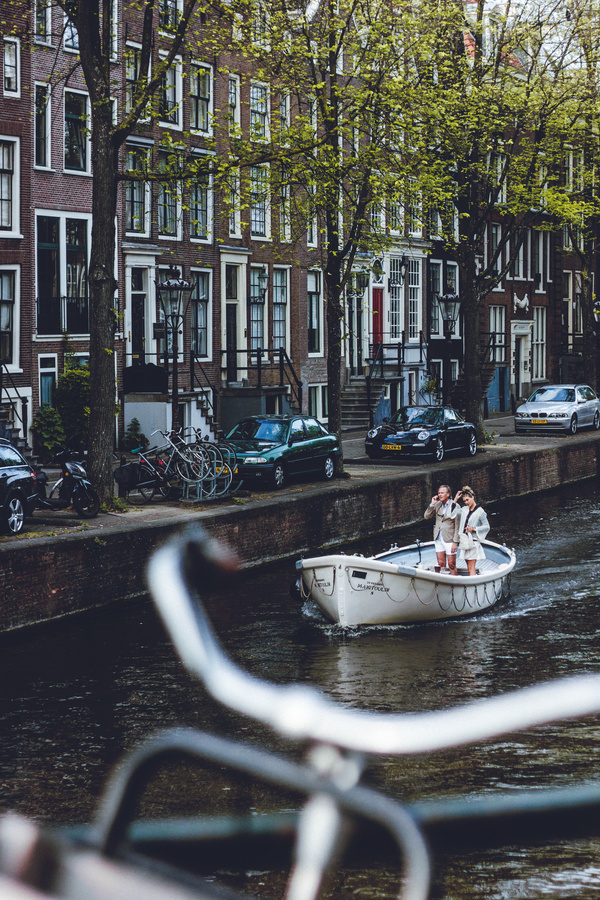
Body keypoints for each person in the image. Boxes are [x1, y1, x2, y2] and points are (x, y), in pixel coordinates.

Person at [453, 485, 490, 576]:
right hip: (464, 541)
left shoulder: (481, 512)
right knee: (468, 567)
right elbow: (452, 514)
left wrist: (473, 529)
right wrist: (455, 500)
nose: (466, 502)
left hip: (473, 542)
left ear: (472, 497)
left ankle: (473, 586)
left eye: (467, 500)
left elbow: (487, 526)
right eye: (464, 501)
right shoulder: (464, 510)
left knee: (471, 567)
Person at [424, 484, 459, 574]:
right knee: (441, 563)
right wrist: (432, 504)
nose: (440, 495)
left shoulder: (455, 506)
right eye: (439, 493)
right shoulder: (437, 505)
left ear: (448, 494)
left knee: (451, 564)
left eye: (442, 493)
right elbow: (426, 516)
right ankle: (444, 583)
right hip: (438, 537)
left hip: (450, 538)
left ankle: (454, 583)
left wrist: (455, 542)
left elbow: (458, 525)